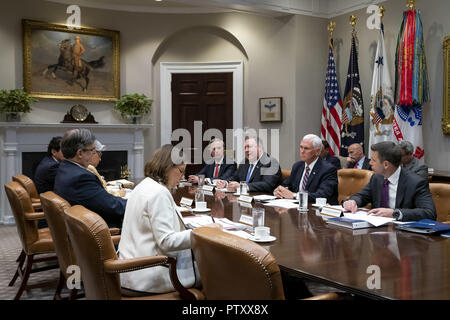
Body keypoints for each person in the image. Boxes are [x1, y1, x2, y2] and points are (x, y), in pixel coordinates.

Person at [118, 144, 221, 293]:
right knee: (215, 272)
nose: (183, 177)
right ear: (167, 167)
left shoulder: (144, 185)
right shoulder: (159, 193)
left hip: (131, 268)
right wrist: (202, 232)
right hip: (148, 274)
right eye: (181, 171)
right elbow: (167, 241)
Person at [343, 141, 436, 221]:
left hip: (404, 235)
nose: (370, 163)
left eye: (373, 160)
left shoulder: (415, 182)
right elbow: (362, 196)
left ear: (386, 164)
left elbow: (429, 213)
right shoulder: (376, 178)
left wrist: (395, 213)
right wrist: (353, 201)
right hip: (376, 231)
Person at [54, 129, 127, 228]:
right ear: (80, 153)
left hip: (77, 228)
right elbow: (112, 206)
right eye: (92, 150)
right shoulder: (81, 178)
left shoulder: (64, 168)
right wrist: (136, 202)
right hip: (98, 233)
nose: (94, 154)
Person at [273, 134, 338, 205]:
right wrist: (278, 191)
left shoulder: (328, 169)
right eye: (301, 147)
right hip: (296, 208)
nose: (302, 151)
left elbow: (322, 195)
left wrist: (295, 196)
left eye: (306, 148)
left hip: (318, 211)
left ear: (317, 151)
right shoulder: (297, 166)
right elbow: (286, 185)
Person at [215, 136, 282, 193]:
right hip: (244, 200)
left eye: (249, 147)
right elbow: (235, 177)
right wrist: (225, 183)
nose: (246, 150)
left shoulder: (270, 162)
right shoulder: (244, 162)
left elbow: (267, 185)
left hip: (262, 204)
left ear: (259, 147)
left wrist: (243, 186)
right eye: (245, 148)